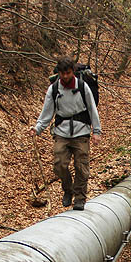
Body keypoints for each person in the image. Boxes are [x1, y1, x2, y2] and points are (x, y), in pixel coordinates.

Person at [31, 57, 101, 210]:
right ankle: (68, 190)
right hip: (61, 132)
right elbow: (47, 112)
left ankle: (80, 198)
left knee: (81, 167)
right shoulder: (54, 89)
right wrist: (37, 128)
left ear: (73, 72)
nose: (65, 77)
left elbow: (92, 109)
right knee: (59, 165)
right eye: (62, 73)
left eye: (68, 73)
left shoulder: (83, 87)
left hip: (81, 131)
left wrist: (96, 131)